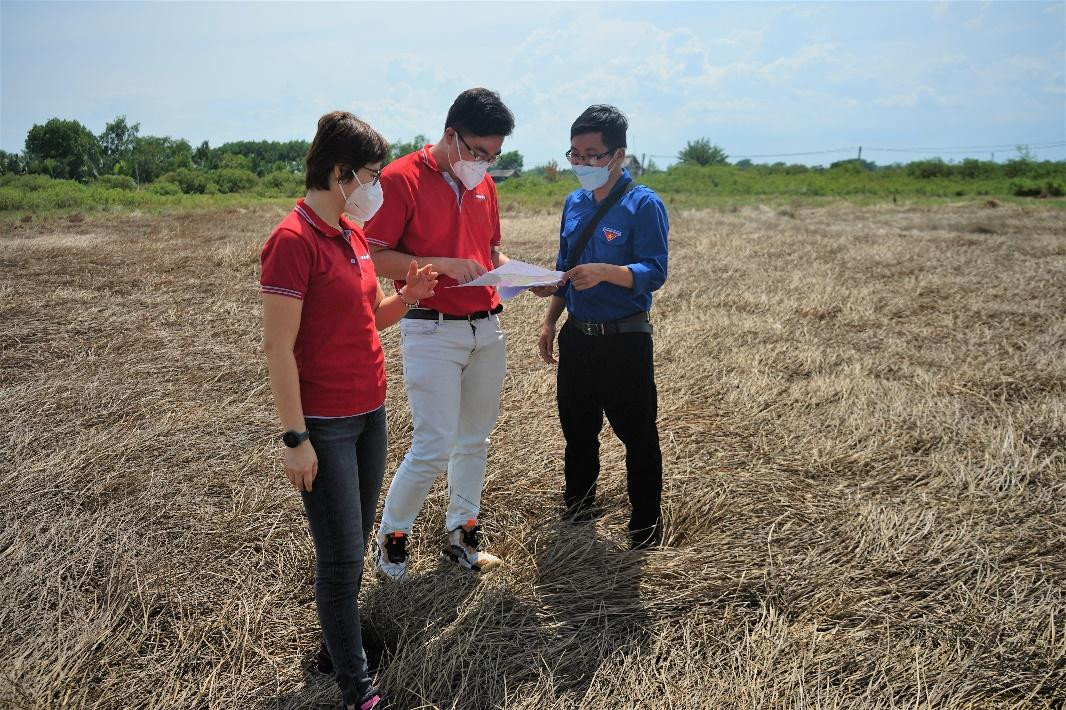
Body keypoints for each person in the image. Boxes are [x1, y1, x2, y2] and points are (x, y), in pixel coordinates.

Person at [260, 111, 438, 710]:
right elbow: (278, 348)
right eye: (370, 174)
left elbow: (368, 321)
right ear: (340, 175)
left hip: (371, 412)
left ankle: (336, 651)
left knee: (354, 541)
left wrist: (408, 299)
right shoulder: (292, 241)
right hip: (326, 426)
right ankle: (358, 689)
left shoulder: (352, 234)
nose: (377, 186)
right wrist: (295, 438)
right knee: (339, 560)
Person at [364, 88, 515, 579]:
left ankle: (462, 533)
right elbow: (375, 256)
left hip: (486, 328)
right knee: (433, 443)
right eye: (477, 152)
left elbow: (491, 252)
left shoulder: (483, 186)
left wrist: (520, 276)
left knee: (474, 439)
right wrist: (441, 265)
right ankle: (392, 538)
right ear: (451, 135)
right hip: (431, 328)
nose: (484, 163)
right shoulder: (401, 178)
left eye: (493, 156)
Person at [533, 104, 669, 549]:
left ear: (618, 155)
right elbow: (566, 268)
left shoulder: (642, 203)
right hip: (578, 336)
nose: (583, 164)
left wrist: (608, 273)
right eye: (575, 154)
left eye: (593, 154)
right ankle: (578, 510)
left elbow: (654, 270)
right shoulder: (573, 203)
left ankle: (645, 528)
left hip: (624, 337)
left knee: (638, 436)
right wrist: (551, 317)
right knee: (577, 430)